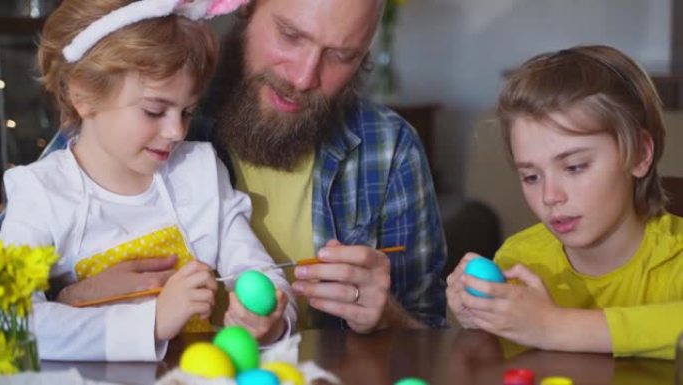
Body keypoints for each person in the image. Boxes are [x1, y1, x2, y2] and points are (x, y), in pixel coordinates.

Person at [53, 0, 448, 332]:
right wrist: (70, 299)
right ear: (245, 9)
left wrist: (387, 317)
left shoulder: (390, 148)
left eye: (341, 56)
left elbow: (430, 338)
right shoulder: (144, 107)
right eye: (290, 35)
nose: (304, 76)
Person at [0, 0, 296, 362]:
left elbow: (258, 269)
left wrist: (271, 319)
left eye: (187, 111)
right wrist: (151, 322)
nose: (175, 131)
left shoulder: (199, 171)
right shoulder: (41, 194)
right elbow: (8, 319)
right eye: (154, 110)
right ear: (84, 96)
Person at [446, 45, 683, 359]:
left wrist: (554, 326)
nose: (549, 196)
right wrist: (479, 319)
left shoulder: (675, 259)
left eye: (574, 167)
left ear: (640, 153)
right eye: (531, 176)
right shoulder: (521, 262)